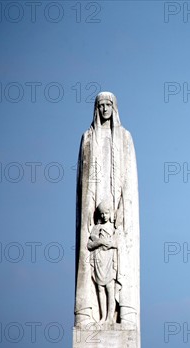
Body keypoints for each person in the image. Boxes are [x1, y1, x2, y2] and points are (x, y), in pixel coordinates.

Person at [75, 92, 140, 327]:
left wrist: (120, 213)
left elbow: (129, 182)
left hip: (116, 216)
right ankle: (92, 314)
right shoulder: (88, 138)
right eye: (100, 105)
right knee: (97, 281)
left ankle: (119, 313)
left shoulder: (124, 138)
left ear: (114, 108)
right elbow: (84, 181)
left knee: (114, 278)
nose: (104, 109)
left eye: (108, 105)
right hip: (95, 214)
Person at [88, 199, 118, 323]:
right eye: (101, 214)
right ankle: (102, 316)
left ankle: (110, 317)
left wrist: (109, 243)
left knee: (110, 287)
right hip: (99, 260)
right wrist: (99, 241)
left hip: (109, 259)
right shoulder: (96, 228)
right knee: (100, 288)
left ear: (110, 213)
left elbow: (117, 243)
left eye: (106, 213)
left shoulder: (113, 227)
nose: (103, 216)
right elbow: (89, 245)